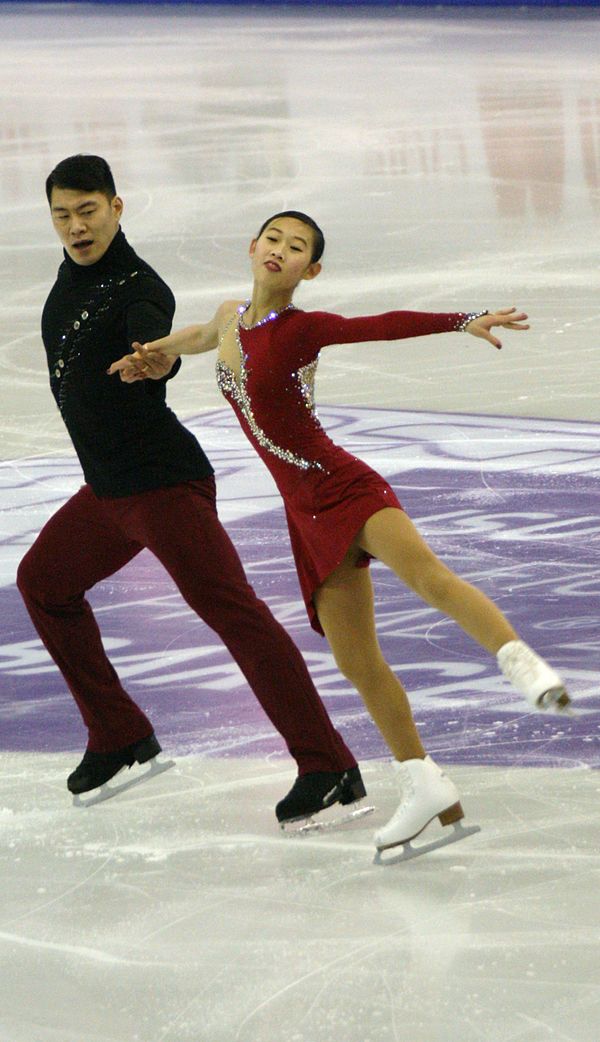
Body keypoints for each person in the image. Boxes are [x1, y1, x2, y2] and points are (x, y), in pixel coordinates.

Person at [111, 210, 572, 857]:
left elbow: (377, 328)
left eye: (297, 247)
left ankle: (524, 667)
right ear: (253, 247)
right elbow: (200, 337)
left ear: (312, 269)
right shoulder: (227, 317)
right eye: (273, 239)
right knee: (356, 661)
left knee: (428, 577)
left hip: (343, 485)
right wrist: (158, 352)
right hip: (304, 514)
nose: (280, 251)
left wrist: (462, 320)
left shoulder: (301, 330)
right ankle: (424, 785)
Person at [16, 164, 367, 825]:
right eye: (63, 214)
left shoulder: (138, 286)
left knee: (235, 613)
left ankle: (328, 765)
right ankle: (120, 733)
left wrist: (155, 359)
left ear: (117, 207)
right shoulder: (70, 281)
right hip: (111, 491)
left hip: (162, 484)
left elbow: (155, 341)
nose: (77, 226)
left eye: (88, 210)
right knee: (43, 582)